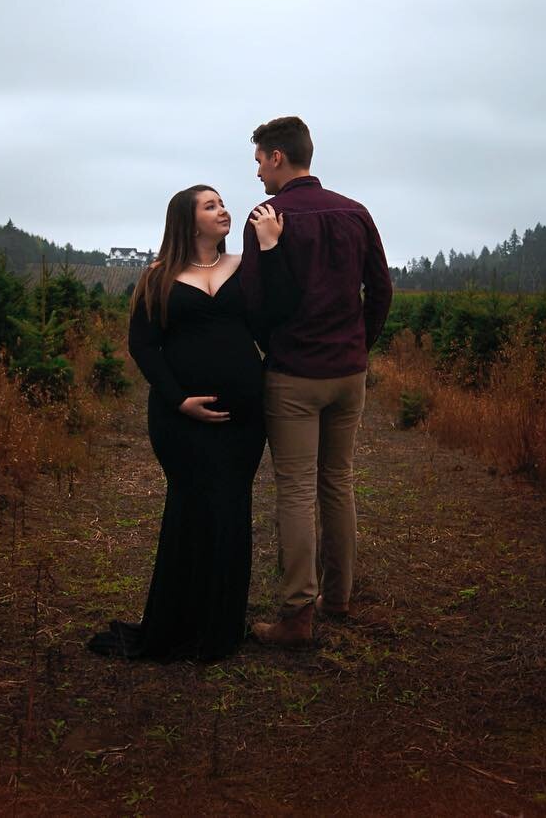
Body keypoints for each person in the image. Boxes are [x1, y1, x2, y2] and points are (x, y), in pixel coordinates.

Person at [87, 185, 295, 661]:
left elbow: (280, 309)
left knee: (230, 511)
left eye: (222, 204)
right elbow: (143, 345)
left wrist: (272, 248)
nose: (224, 211)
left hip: (242, 420)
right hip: (179, 421)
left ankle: (220, 628)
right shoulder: (158, 276)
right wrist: (179, 399)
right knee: (189, 510)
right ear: (187, 220)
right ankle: (177, 622)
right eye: (211, 205)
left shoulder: (246, 266)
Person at [239, 116, 392, 646]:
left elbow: (256, 303)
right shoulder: (356, 213)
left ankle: (297, 615)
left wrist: (275, 348)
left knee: (297, 488)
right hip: (349, 374)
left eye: (259, 160)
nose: (257, 172)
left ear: (278, 157)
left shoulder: (267, 216)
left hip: (294, 376)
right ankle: (340, 596)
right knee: (338, 481)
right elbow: (382, 290)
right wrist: (357, 345)